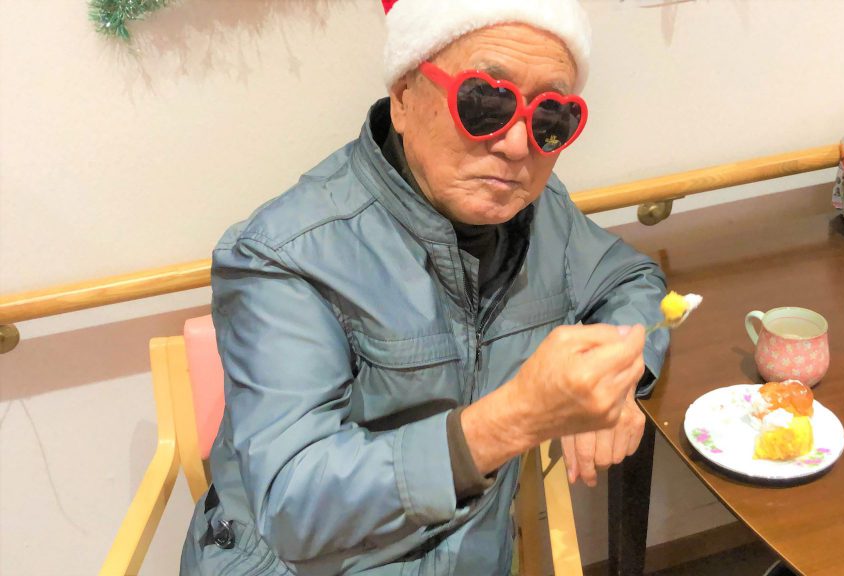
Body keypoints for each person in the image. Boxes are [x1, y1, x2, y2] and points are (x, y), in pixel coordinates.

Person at [180, 1, 669, 574]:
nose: (518, 145)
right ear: (404, 96)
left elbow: (632, 281)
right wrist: (508, 422)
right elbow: (293, 503)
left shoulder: (541, 216)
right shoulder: (286, 253)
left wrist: (616, 375)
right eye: (485, 101)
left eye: (550, 118)